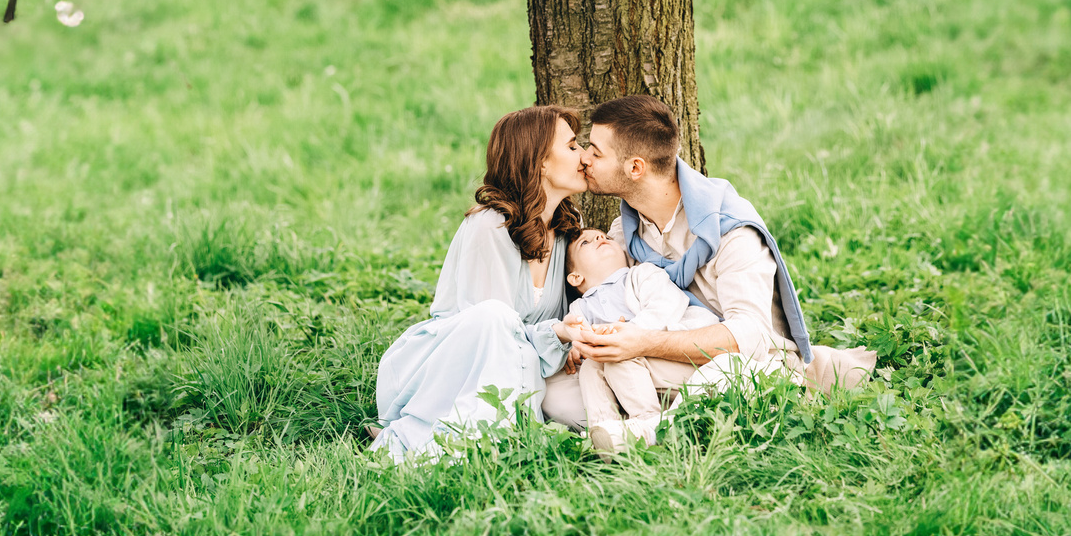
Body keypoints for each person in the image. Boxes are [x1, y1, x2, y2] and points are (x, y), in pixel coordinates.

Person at [542, 95, 875, 430]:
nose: (584, 158)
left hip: (745, 363)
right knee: (556, 392)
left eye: (596, 152)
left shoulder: (731, 231)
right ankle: (644, 422)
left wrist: (643, 340)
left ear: (635, 168)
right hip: (661, 362)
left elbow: (751, 334)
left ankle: (650, 430)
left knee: (730, 374)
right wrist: (586, 337)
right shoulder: (626, 230)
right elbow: (609, 292)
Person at [370, 104, 588, 461]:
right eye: (571, 146)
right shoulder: (491, 227)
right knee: (495, 318)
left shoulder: (567, 225)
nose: (583, 156)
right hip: (453, 367)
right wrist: (558, 337)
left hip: (527, 365)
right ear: (540, 162)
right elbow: (494, 340)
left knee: (581, 410)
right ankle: (419, 440)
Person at [558, 226, 722, 453]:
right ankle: (605, 430)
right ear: (576, 277)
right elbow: (576, 334)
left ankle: (649, 426)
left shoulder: (640, 274)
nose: (599, 237)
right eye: (585, 243)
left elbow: (666, 305)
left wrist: (628, 333)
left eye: (604, 236)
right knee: (591, 367)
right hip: (638, 370)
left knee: (618, 356)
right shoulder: (579, 308)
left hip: (682, 360)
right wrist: (575, 348)